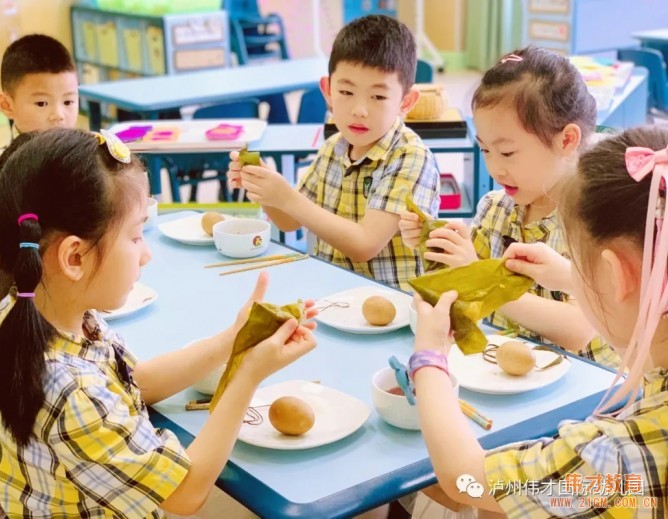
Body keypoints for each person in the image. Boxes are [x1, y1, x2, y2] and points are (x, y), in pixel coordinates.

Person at [0, 128, 317, 517]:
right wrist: (246, 377)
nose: (147, 254)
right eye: (136, 237)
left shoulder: (30, 308)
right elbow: (185, 492)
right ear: (74, 258)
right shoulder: (70, 391)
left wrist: (231, 341)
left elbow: (137, 381)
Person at [411, 126, 668, 517]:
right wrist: (570, 275)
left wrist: (429, 360)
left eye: (579, 263)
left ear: (617, 275)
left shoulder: (616, 457)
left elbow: (464, 478)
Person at [400, 46, 619, 369]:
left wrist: (477, 274)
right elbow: (464, 291)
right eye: (485, 150)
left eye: (507, 152)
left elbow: (577, 331)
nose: (494, 168)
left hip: (584, 387)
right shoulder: (495, 208)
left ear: (567, 140)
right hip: (503, 374)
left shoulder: (595, 220)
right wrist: (434, 243)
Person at [228, 14, 439, 292]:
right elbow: (289, 221)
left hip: (391, 306)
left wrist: (286, 196)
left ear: (406, 101)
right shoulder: (333, 147)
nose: (359, 109)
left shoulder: (410, 156)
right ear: (328, 90)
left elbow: (364, 245)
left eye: (378, 97)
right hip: (332, 297)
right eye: (346, 91)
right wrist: (264, 188)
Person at [0, 34, 79, 295]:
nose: (58, 115)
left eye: (69, 101)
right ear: (7, 105)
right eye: (42, 103)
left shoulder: (83, 157)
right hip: (16, 291)